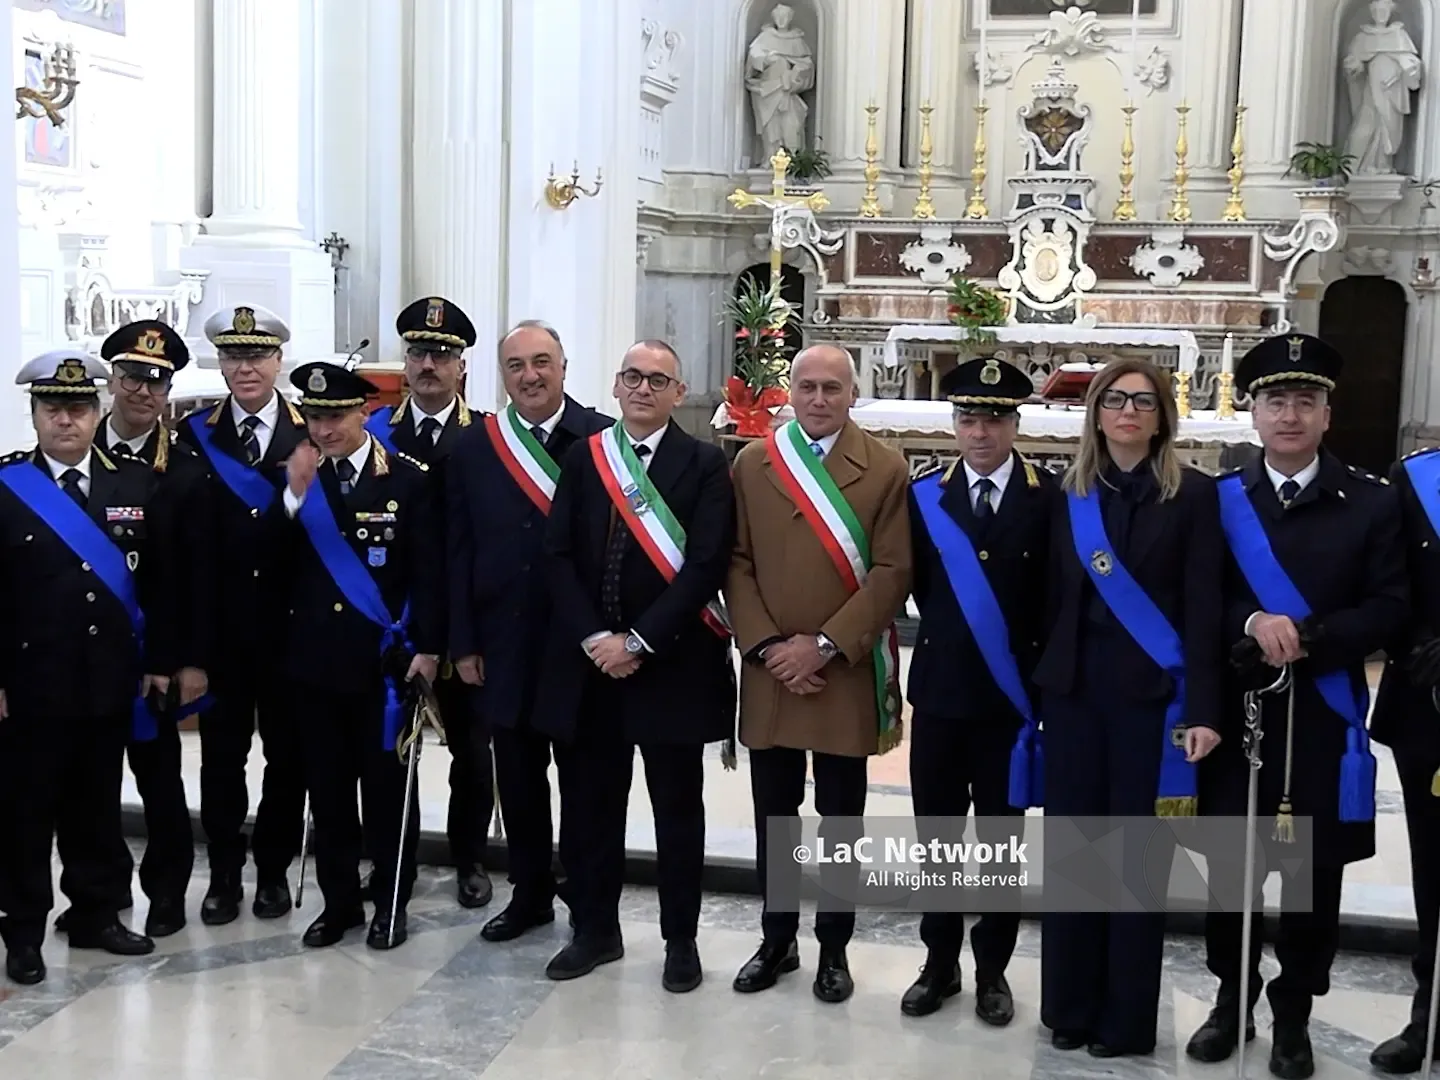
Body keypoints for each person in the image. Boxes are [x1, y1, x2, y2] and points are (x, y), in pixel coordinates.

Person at [1185, 334, 1407, 1079]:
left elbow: (1389, 607)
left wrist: (1310, 636)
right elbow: (1197, 603)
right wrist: (1251, 624)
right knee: (1229, 876)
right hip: (1238, 717)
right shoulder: (1217, 502)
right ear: (1252, 414)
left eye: (1304, 401)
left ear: (1326, 415)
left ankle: (1294, 1016)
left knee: (1313, 886)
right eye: (1275, 400)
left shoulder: (1372, 502)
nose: (1289, 414)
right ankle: (1230, 1000)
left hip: (1321, 721)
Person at [1031, 357, 1224, 1058]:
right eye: (1116, 400)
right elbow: (1050, 600)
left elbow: (1204, 608)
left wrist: (1204, 706)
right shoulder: (1067, 493)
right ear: (1097, 412)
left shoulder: (1195, 496)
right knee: (1077, 859)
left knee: (1136, 865)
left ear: (1163, 415)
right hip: (1077, 697)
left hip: (1153, 704)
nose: (1129, 412)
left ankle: (1125, 1020)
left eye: (1144, 401)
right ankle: (1070, 1008)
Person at [533, 340, 736, 990]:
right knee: (591, 805)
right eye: (632, 378)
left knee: (678, 808)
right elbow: (557, 555)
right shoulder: (586, 457)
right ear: (616, 388)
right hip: (593, 667)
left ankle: (681, 939)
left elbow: (705, 564)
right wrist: (596, 637)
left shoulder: (705, 464)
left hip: (672, 664)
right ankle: (595, 929)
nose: (643, 389)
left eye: (658, 380)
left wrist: (639, 640)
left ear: (679, 393)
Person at [725, 343, 912, 1003]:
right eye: (807, 386)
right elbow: (736, 560)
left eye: (832, 387)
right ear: (790, 392)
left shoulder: (885, 468)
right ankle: (776, 939)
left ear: (852, 394)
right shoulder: (754, 463)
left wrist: (826, 645)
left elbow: (893, 571)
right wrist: (770, 646)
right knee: (775, 813)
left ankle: (834, 947)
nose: (819, 399)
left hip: (843, 671)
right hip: (773, 668)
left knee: (840, 818)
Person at [0, 350, 178, 984]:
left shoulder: (135, 482)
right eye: (53, 409)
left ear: (98, 410)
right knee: (25, 811)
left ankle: (96, 911)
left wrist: (159, 662)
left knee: (96, 804)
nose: (66, 421)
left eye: (77, 408)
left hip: (110, 678)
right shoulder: (8, 487)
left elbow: (162, 584)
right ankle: (22, 929)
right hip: (30, 683)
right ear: (35, 415)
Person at [447, 321, 610, 943]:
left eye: (542, 362)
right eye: (516, 366)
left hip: (580, 646)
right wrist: (463, 642)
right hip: (502, 644)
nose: (530, 376)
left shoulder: (602, 440)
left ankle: (589, 900)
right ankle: (530, 893)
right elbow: (457, 552)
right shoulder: (474, 448)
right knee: (516, 782)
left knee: (584, 783)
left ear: (565, 367)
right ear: (501, 374)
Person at [272, 361, 444, 950]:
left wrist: (428, 648)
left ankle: (391, 902)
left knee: (389, 790)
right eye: (314, 417)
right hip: (314, 662)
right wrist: (293, 499)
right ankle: (339, 902)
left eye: (336, 416)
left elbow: (431, 572)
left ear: (364, 413)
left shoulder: (408, 478)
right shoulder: (296, 479)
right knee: (329, 788)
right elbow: (268, 564)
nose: (324, 430)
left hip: (384, 665)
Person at [902, 357, 1053, 1023]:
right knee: (936, 839)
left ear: (1016, 423)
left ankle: (992, 968)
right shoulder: (923, 495)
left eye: (994, 418)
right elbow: (915, 590)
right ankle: (938, 963)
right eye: (969, 418)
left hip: (1009, 704)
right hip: (939, 695)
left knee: (998, 842)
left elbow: (1053, 601)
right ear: (953, 425)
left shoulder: (1048, 498)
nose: (981, 432)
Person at [74, 321, 214, 938]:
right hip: (83, 660)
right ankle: (99, 895)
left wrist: (182, 660)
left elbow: (190, 579)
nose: (144, 391)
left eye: (158, 382)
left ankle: (165, 894)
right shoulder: (73, 454)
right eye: (132, 377)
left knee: (159, 784)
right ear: (111, 380)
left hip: (154, 657)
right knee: (90, 786)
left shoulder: (183, 468)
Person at [176, 305, 308, 925]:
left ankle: (273, 873)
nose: (245, 367)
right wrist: (190, 651)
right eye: (233, 356)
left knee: (287, 761)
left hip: (291, 634)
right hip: (222, 638)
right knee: (221, 762)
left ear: (279, 360)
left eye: (256, 356)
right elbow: (182, 552)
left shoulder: (315, 433)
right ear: (220, 364)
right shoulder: (193, 434)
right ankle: (225, 875)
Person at [367, 296, 492, 910]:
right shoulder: (374, 434)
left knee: (473, 751)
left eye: (442, 355)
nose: (428, 365)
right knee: (394, 751)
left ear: (462, 365)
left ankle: (470, 857)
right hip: (398, 622)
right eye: (418, 353)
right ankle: (396, 861)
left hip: (468, 622)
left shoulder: (488, 436)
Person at [1370, 440, 1440, 1075]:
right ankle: (1431, 1012)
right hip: (1431, 708)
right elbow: (1387, 586)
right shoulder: (1417, 477)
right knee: (1436, 869)